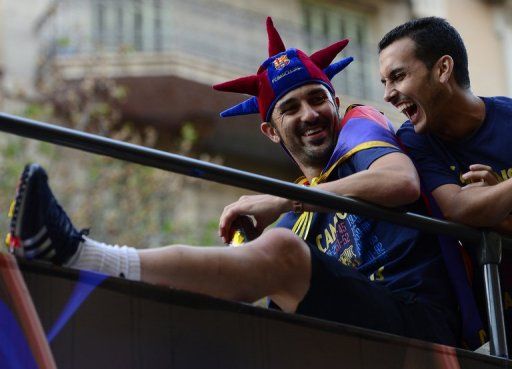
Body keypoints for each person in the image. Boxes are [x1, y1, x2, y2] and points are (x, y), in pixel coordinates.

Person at [9, 17, 459, 345]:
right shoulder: (297, 219)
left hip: (420, 324)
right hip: (351, 341)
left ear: (336, 103)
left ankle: (82, 257)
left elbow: (400, 182)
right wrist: (243, 258)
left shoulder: (360, 126)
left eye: (317, 99)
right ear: (270, 129)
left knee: (281, 254)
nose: (309, 114)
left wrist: (282, 201)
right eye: (290, 108)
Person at [378, 16, 511, 349]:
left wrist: (498, 201)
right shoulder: (412, 140)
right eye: (384, 82)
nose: (389, 95)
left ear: (442, 69)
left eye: (397, 76)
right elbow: (458, 208)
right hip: (497, 329)